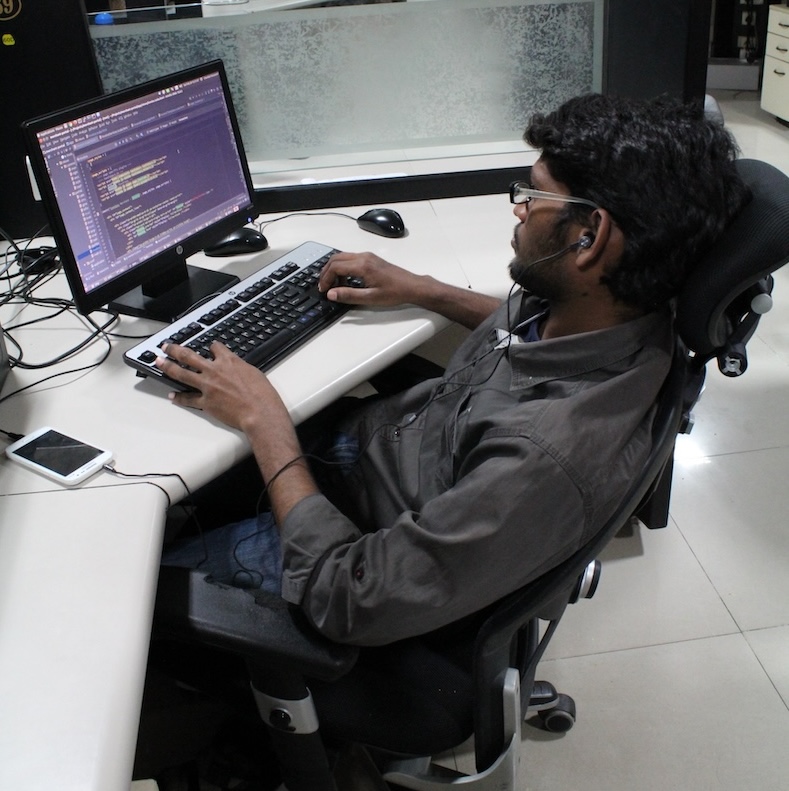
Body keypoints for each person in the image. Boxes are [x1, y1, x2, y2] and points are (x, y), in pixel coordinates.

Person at [157, 93, 750, 646]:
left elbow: (348, 596)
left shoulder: (544, 455)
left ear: (590, 237)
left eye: (534, 195)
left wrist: (267, 424)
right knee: (182, 471)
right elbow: (521, 330)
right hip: (381, 451)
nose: (519, 211)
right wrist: (422, 289)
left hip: (361, 546)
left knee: (140, 586)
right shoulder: (617, 315)